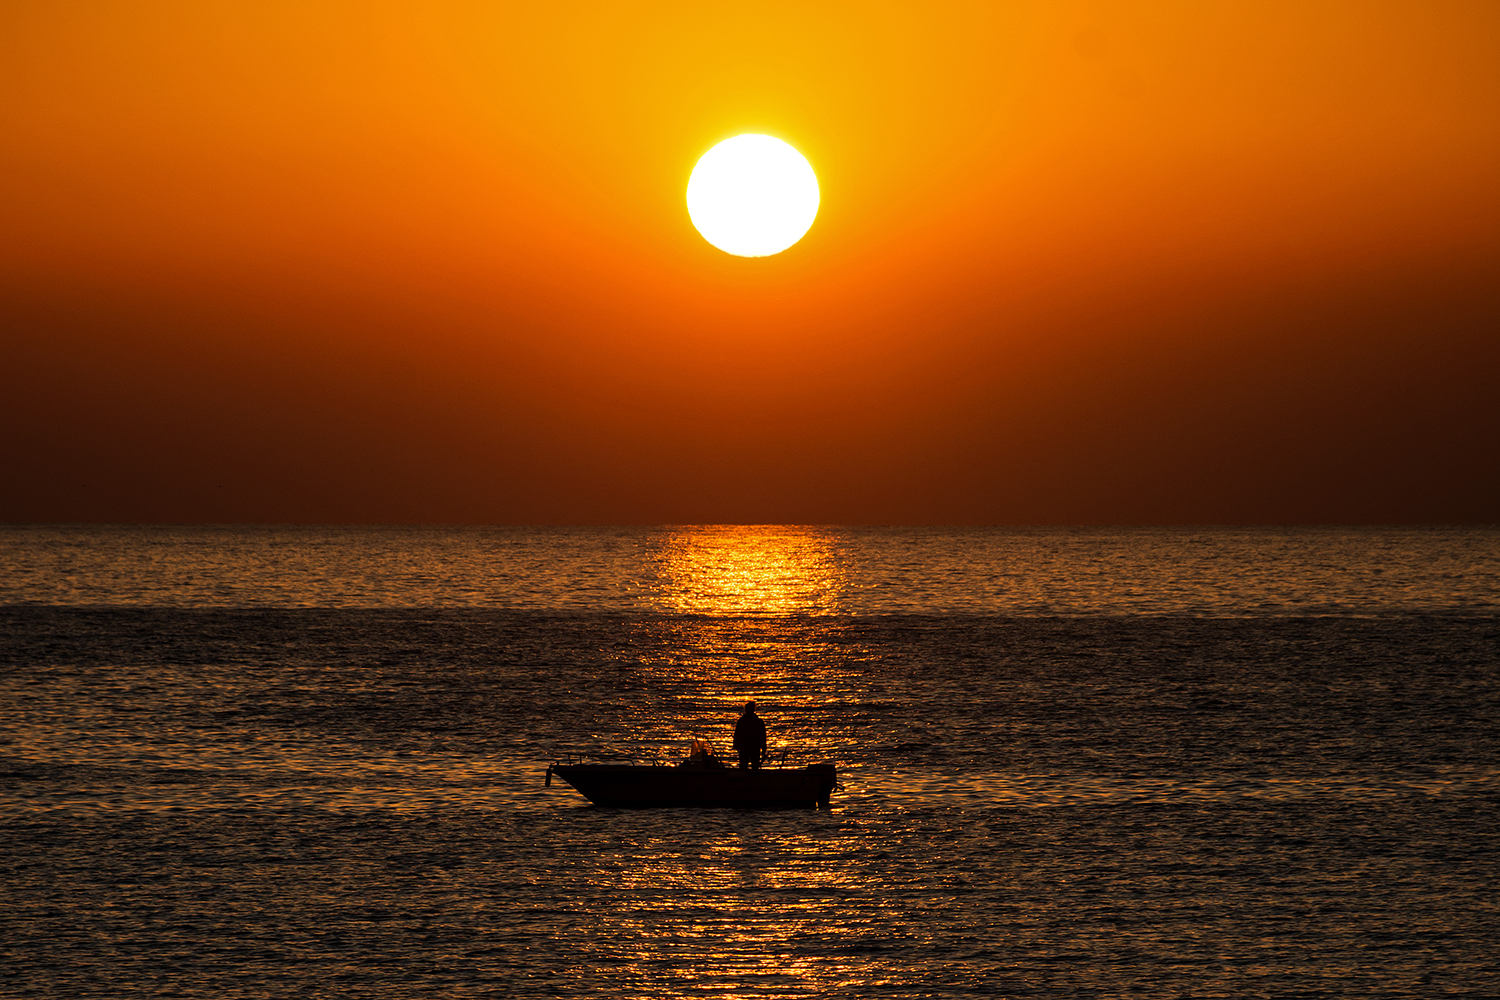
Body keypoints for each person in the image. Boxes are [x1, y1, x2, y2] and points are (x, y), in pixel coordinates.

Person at [734, 701, 767, 769]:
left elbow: (737, 734)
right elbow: (762, 736)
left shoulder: (742, 721)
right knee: (754, 766)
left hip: (746, 746)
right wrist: (763, 747)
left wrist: (736, 744)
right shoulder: (758, 721)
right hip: (753, 746)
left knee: (744, 766)